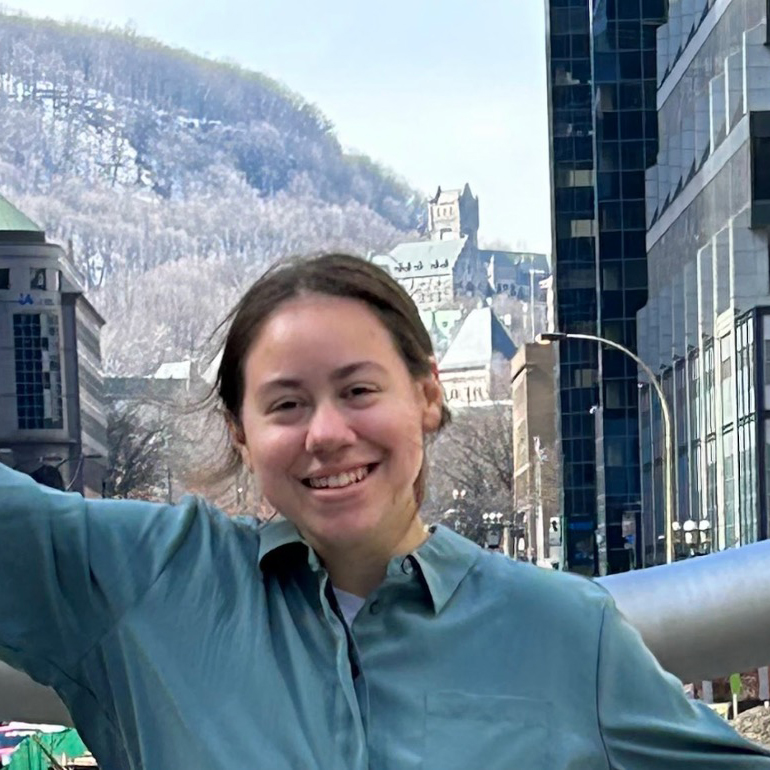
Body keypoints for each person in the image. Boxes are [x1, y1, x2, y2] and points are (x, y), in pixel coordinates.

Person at [1, 252, 768, 769]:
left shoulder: (568, 632)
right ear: (241, 431)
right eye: (286, 403)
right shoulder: (144, 582)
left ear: (427, 397)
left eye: (359, 390)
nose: (328, 433)